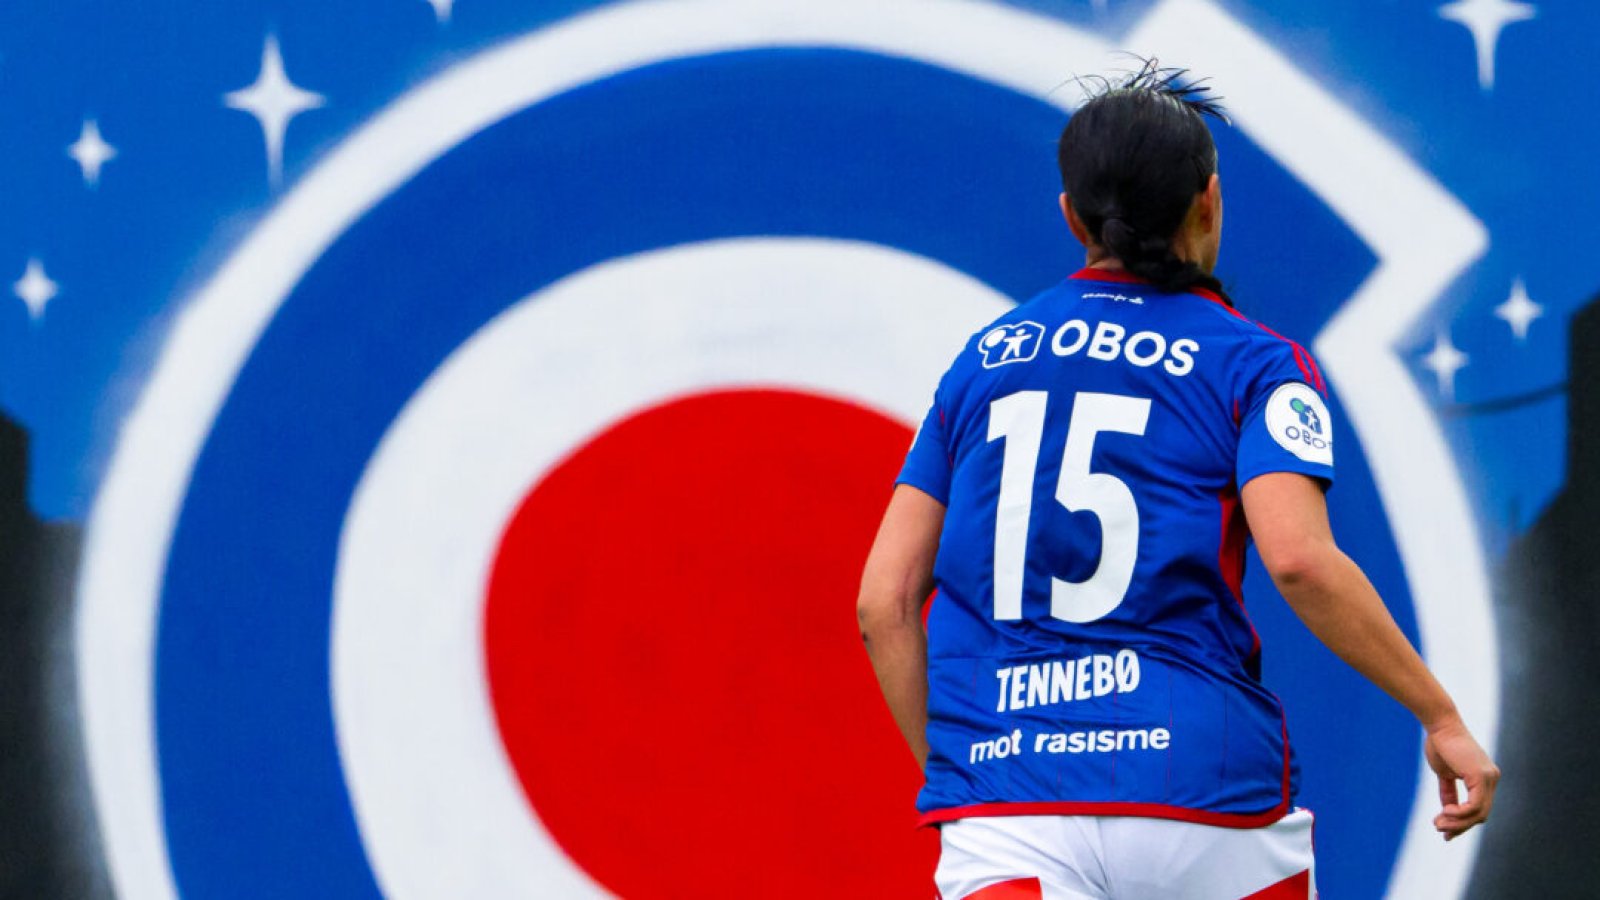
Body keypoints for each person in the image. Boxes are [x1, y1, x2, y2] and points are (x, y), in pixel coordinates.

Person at [856, 62, 1498, 900]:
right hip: (1204, 792)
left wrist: (970, 776)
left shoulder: (983, 363)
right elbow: (1300, 562)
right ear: (1210, 201)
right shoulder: (1258, 363)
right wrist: (1439, 714)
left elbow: (883, 602)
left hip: (1010, 800)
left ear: (1070, 216)